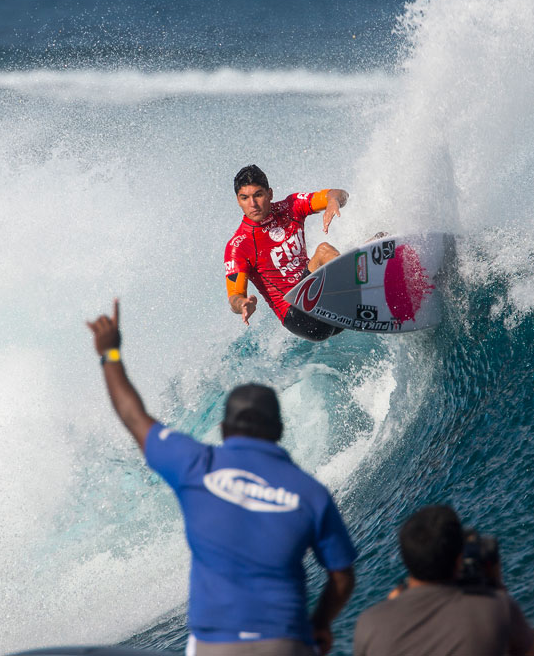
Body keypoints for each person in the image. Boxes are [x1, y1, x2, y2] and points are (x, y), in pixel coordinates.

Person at [87, 299, 357, 655]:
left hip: (216, 644)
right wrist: (319, 623)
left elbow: (134, 417)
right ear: (278, 428)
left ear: (223, 428)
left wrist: (111, 354)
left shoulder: (196, 466)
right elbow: (341, 576)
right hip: (286, 642)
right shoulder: (310, 493)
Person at [352, 505, 534, 656]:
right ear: (459, 559)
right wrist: (496, 586)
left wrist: (390, 609)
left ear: (406, 559)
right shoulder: (494, 609)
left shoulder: (369, 624)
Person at [224, 164, 350, 341]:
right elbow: (234, 297)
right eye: (244, 198)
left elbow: (337, 193)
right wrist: (242, 305)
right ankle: (356, 293)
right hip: (302, 318)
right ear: (238, 200)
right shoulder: (238, 246)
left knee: (378, 239)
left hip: (326, 308)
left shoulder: (291, 207)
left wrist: (333, 201)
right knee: (323, 251)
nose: (252, 204)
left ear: (270, 194)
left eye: (258, 195)